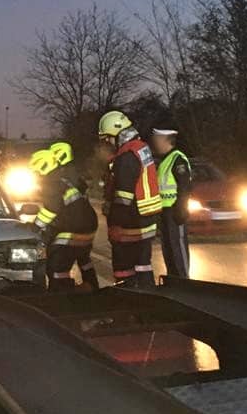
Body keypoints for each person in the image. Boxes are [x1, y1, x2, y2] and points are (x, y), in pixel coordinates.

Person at [98, 110, 162, 288]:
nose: (107, 143)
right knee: (143, 265)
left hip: (131, 221)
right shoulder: (141, 147)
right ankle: (148, 299)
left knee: (124, 267)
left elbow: (123, 197)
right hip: (146, 218)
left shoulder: (126, 157)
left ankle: (127, 299)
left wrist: (116, 223)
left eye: (107, 139)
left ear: (116, 134)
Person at [31, 142, 99, 290]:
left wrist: (35, 226)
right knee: (83, 259)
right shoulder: (62, 180)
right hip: (88, 227)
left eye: (35, 171)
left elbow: (51, 209)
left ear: (42, 168)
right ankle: (92, 288)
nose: (35, 175)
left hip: (73, 230)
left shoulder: (50, 183)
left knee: (56, 265)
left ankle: (61, 295)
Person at [150, 121, 192, 280]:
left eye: (158, 139)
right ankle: (173, 282)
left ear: (166, 139)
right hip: (165, 213)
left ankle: (184, 284)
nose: (155, 142)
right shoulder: (165, 160)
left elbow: (184, 186)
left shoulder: (177, 159)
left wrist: (181, 209)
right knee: (168, 250)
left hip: (175, 212)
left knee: (178, 250)